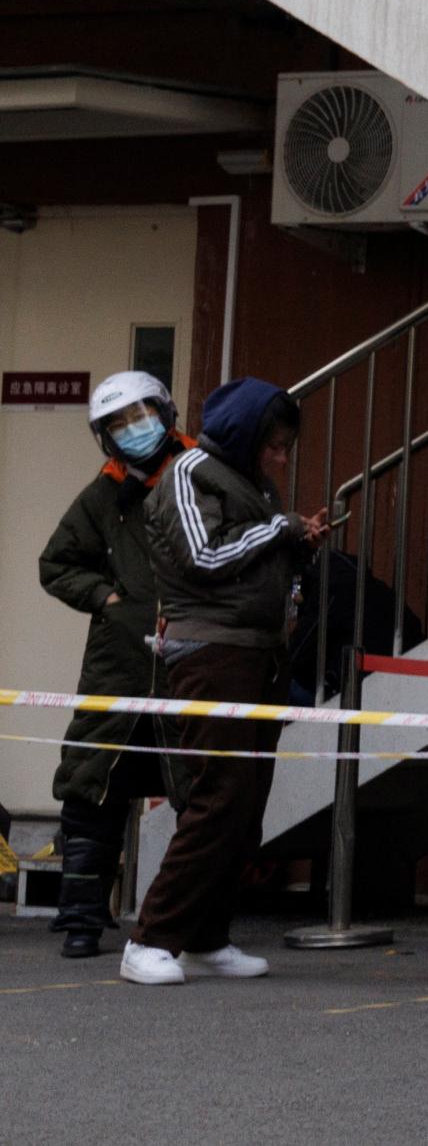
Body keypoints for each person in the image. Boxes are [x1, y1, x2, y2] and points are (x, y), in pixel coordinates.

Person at [125, 377, 325, 986]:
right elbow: (203, 557)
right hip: (211, 651)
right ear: (246, 436)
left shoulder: (253, 485)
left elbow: (253, 558)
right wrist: (281, 529)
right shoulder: (191, 471)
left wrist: (298, 545)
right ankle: (150, 939)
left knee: (247, 802)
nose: (282, 458)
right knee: (220, 796)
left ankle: (207, 937)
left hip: (257, 653)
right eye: (275, 446)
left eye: (287, 447)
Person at [38, 371, 189, 959]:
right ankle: (80, 921)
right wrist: (107, 599)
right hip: (116, 666)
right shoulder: (102, 495)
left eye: (141, 414)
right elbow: (57, 564)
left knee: (197, 794)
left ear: (166, 411)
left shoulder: (204, 472)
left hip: (190, 661)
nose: (133, 430)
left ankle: (182, 922)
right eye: (117, 424)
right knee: (89, 791)